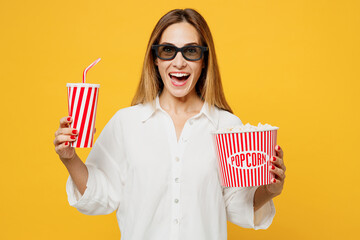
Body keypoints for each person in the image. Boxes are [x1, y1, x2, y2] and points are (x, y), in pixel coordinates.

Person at [54, 8, 286, 240]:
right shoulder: (127, 123)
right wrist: (70, 158)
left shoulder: (227, 127)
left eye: (191, 51)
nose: (179, 62)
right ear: (155, 59)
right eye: (168, 51)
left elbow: (236, 204)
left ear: (204, 60)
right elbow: (99, 196)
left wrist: (269, 190)